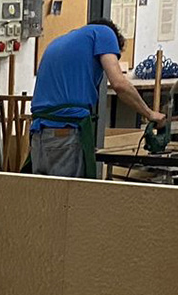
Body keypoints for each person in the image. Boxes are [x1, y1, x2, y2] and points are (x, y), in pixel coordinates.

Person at [30, 17, 167, 178]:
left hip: (39, 134)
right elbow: (119, 84)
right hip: (64, 133)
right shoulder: (104, 33)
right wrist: (150, 114)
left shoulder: (59, 42)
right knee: (68, 193)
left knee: (44, 192)